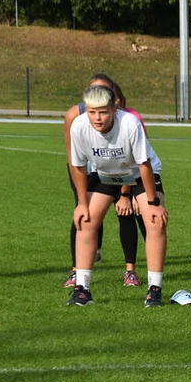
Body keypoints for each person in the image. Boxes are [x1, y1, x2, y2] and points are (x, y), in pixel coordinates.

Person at [67, 84, 168, 308]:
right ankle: (82, 290)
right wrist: (82, 204)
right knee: (86, 220)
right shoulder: (79, 126)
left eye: (103, 111)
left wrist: (153, 204)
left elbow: (144, 164)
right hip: (105, 174)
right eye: (92, 112)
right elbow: (79, 167)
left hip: (138, 173)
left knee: (155, 222)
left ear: (115, 108)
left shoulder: (129, 123)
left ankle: (154, 291)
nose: (97, 118)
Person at [63, 74, 145, 289]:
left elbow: (136, 160)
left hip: (122, 171)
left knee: (125, 213)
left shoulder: (129, 119)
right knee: (84, 216)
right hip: (90, 173)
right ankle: (78, 273)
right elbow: (73, 159)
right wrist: (82, 200)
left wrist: (126, 194)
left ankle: (130, 271)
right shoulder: (76, 117)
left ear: (113, 98)